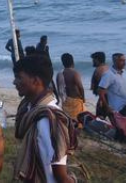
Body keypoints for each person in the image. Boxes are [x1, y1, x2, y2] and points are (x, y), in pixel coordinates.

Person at [13, 54, 75, 183]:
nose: (14, 82)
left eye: (19, 77)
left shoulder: (51, 117)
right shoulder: (29, 109)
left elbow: (60, 175)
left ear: (36, 81)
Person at [53, 53, 85, 124]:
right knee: (79, 120)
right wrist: (83, 99)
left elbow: (59, 89)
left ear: (63, 62)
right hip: (75, 100)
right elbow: (81, 87)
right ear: (72, 62)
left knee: (69, 120)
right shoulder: (74, 73)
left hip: (65, 100)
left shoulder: (59, 74)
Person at [88, 51, 109, 118]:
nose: (92, 62)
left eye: (93, 60)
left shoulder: (98, 70)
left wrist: (101, 101)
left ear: (97, 60)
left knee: (100, 120)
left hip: (104, 98)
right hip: (112, 98)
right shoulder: (108, 68)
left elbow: (102, 88)